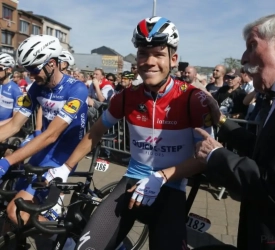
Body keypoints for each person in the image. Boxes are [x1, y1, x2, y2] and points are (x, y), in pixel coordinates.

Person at [129, 13, 275, 250]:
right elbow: (264, 151)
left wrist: (216, 155)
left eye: (252, 46)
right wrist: (221, 122)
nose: (242, 58)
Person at [58, 16, 215, 250]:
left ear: (173, 59)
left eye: (158, 54)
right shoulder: (126, 97)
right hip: (131, 180)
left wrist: (161, 176)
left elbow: (205, 158)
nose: (149, 61)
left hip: (170, 189)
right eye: (143, 53)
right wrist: (65, 168)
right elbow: (95, 133)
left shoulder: (193, 99)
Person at [0, 35, 88, 249]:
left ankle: (70, 241)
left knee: (16, 211)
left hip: (62, 155)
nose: (30, 75)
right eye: (27, 69)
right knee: (9, 214)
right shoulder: (36, 88)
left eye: (33, 69)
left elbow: (51, 135)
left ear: (51, 63)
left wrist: (7, 161)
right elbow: (14, 125)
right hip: (43, 150)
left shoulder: (77, 90)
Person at [0, 53, 23, 126]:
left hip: (4, 128)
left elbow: (16, 118)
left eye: (0, 69)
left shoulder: (16, 90)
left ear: (9, 70)